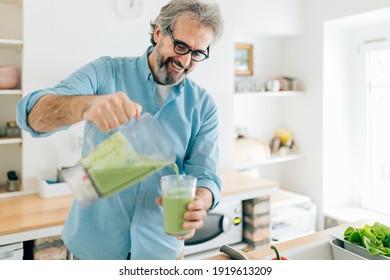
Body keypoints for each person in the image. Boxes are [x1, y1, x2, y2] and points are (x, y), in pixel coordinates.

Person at [16, 0, 223, 260]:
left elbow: (206, 176)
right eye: (180, 46)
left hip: (160, 255)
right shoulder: (106, 72)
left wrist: (200, 202)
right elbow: (31, 115)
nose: (185, 60)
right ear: (159, 32)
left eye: (197, 53)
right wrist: (85, 105)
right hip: (93, 252)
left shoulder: (203, 106)